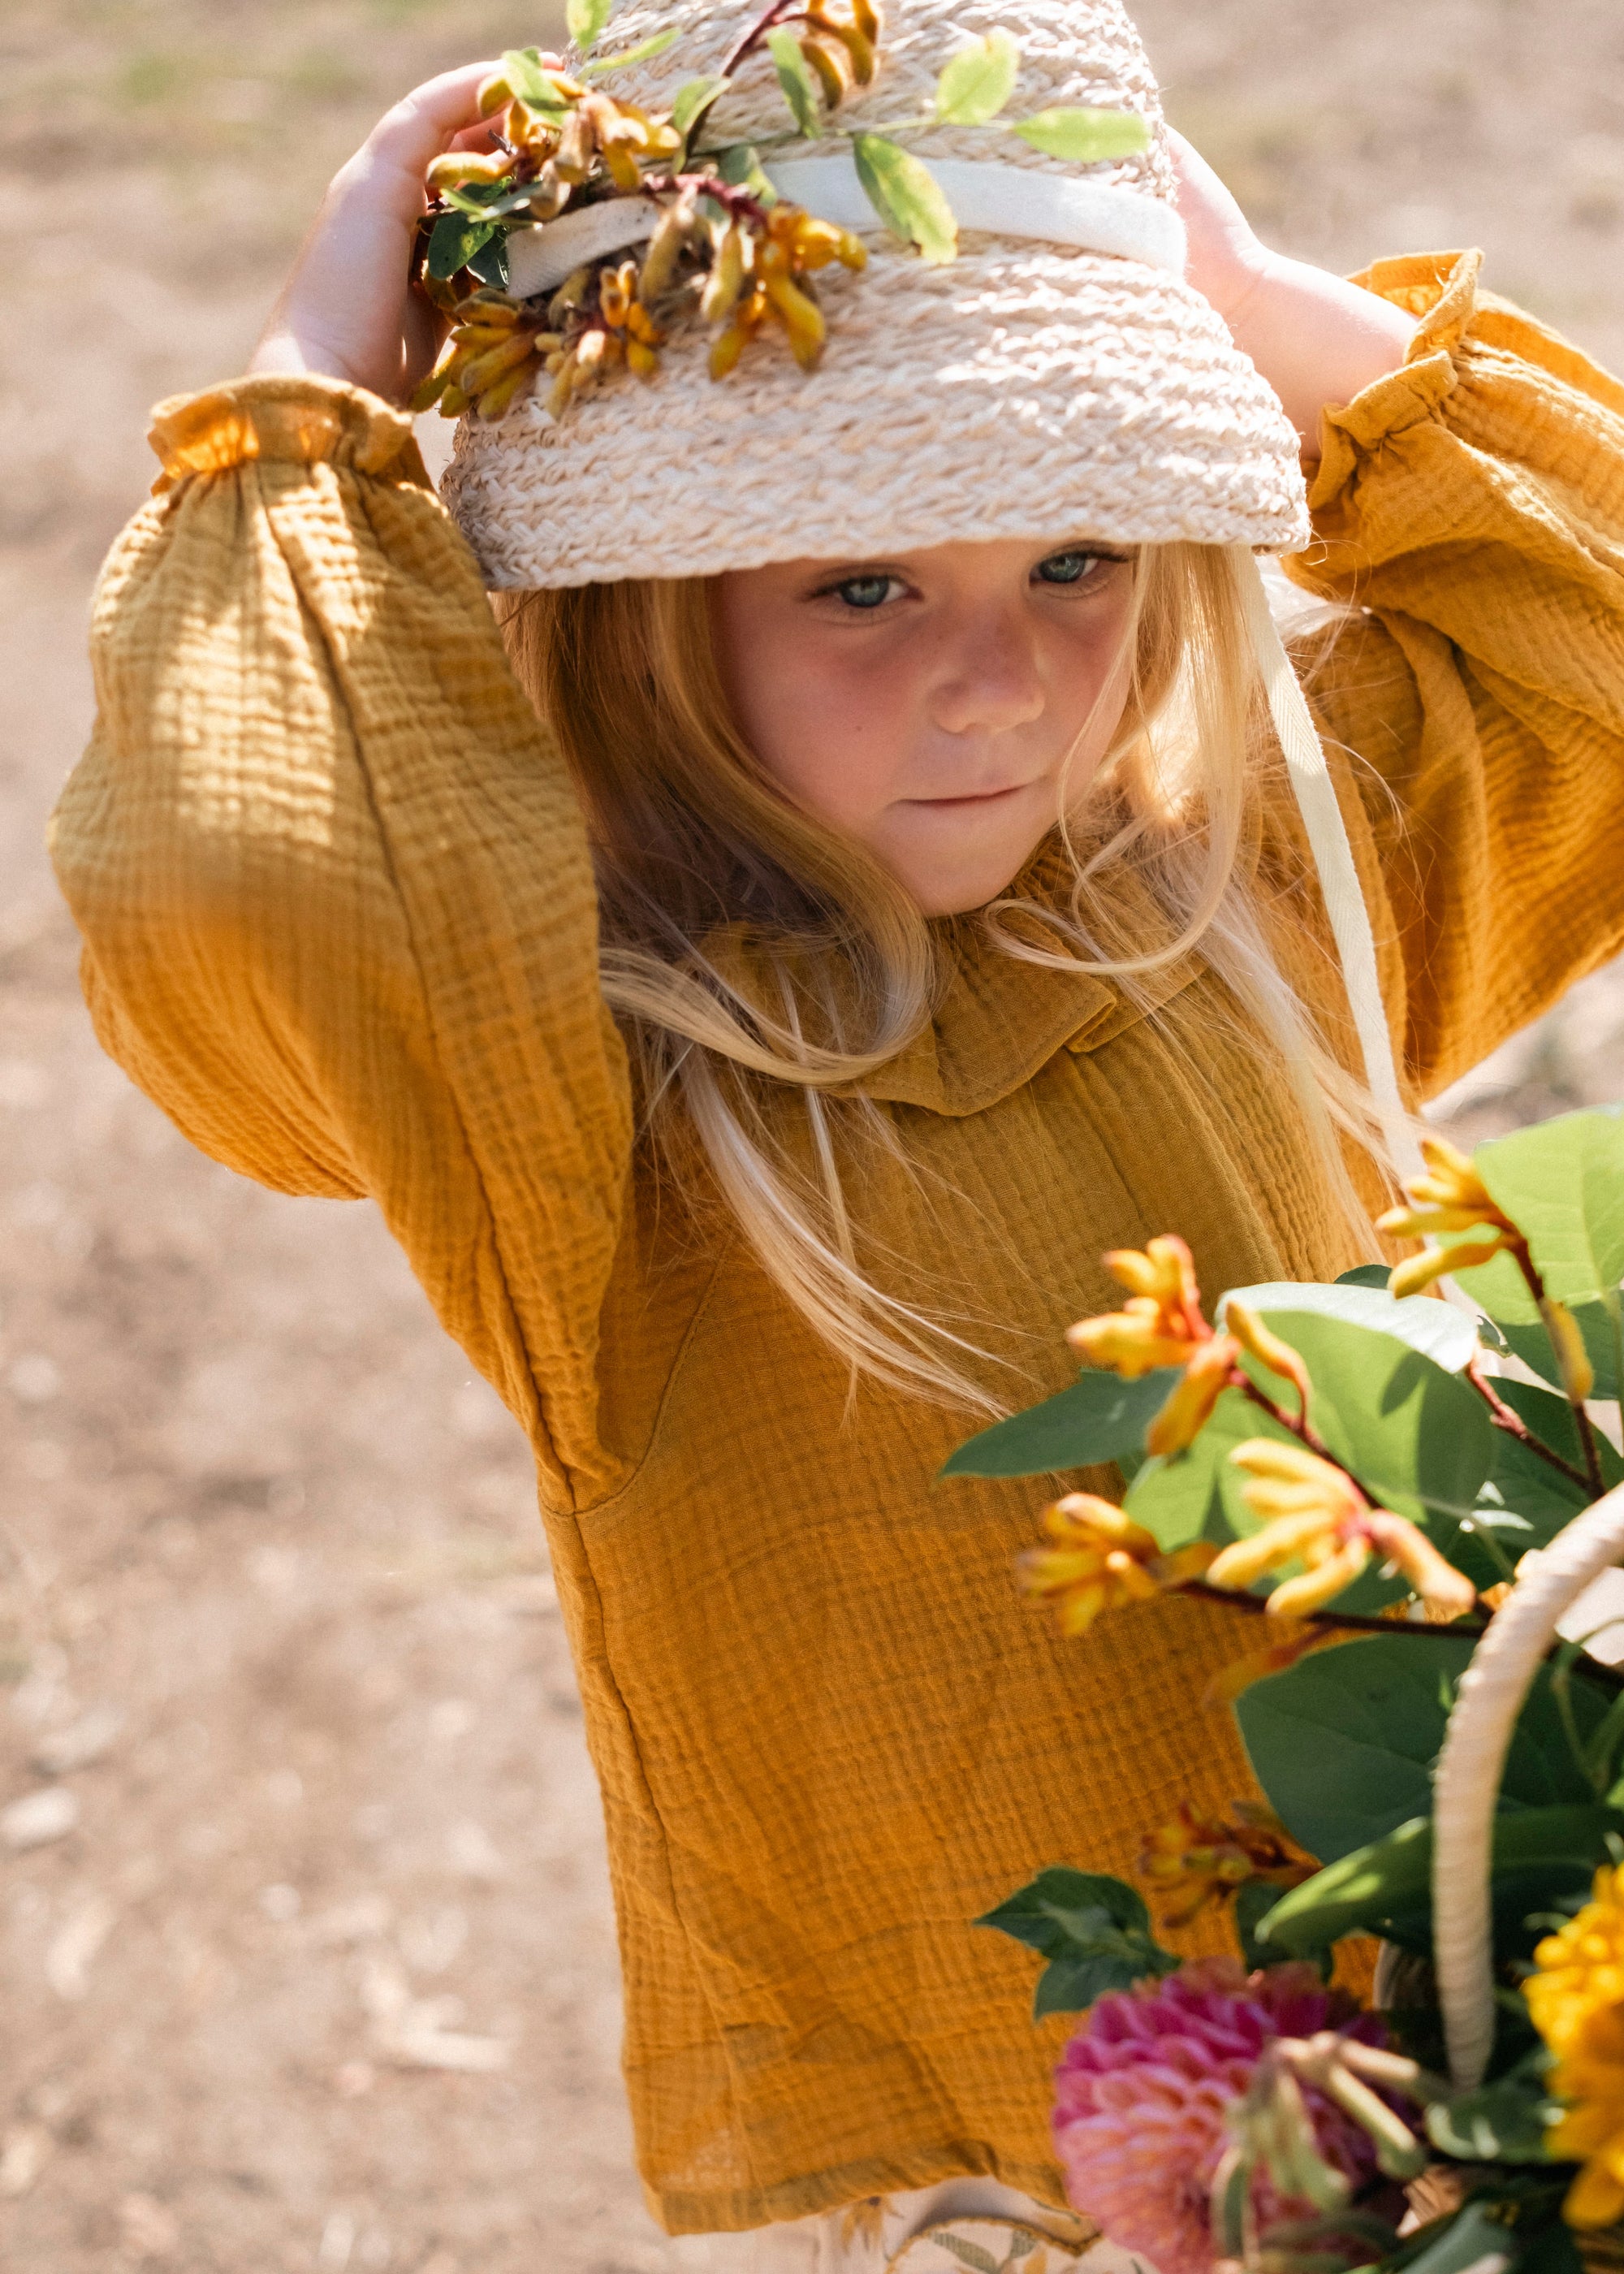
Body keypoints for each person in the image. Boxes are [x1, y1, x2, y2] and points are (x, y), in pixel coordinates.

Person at [50, 0, 1624, 2263]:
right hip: (1034, 2163)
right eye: (862, 583)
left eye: (1075, 555)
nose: (997, 679)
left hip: (1467, 1994)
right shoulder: (579, 1084)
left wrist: (1269, 315)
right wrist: (316, 403)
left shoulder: (1248, 894)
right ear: (646, 621)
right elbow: (244, 877)